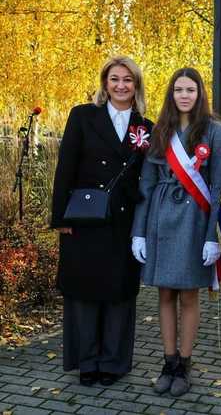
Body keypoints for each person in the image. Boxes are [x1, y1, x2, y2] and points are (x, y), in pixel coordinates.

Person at [50, 55, 153, 387]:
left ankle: (113, 361)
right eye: (114, 79)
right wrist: (60, 217)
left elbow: (147, 178)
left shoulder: (146, 127)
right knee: (84, 291)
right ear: (105, 83)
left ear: (136, 85)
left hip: (123, 223)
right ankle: (88, 361)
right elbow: (65, 167)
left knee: (119, 292)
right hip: (83, 218)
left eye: (128, 80)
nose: (121, 85)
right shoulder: (83, 116)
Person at [131, 68, 221, 397]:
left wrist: (213, 235)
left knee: (188, 294)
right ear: (171, 94)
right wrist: (139, 232)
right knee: (165, 294)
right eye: (178, 90)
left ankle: (184, 364)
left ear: (200, 93)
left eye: (191, 89)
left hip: (195, 221)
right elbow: (146, 183)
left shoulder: (214, 131)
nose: (184, 95)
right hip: (160, 217)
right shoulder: (161, 129)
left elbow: (217, 187)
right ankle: (168, 361)